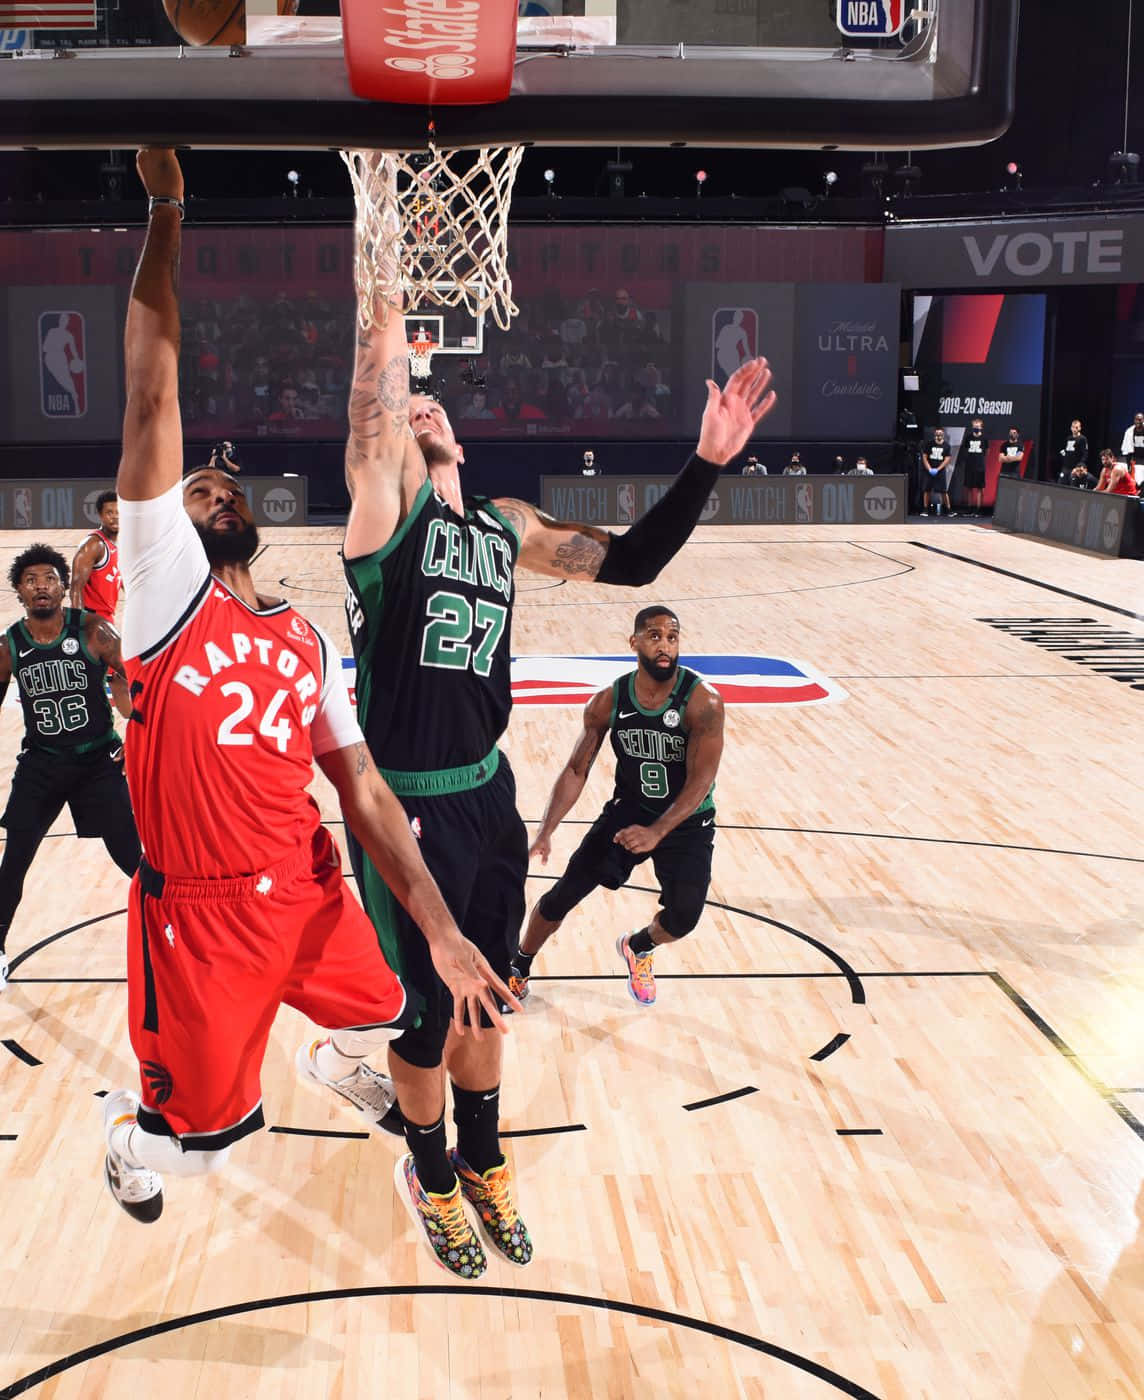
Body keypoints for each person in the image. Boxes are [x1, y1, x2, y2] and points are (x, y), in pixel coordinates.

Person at [313, 148, 773, 1277]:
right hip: (405, 803)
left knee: (491, 996)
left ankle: (483, 1158)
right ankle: (428, 1170)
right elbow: (374, 398)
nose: (418, 411)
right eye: (407, 411)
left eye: (433, 407)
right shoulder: (384, 522)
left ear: (459, 438)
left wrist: (705, 464)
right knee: (426, 1012)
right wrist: (385, 253)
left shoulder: (506, 526)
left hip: (486, 790)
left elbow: (631, 562)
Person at [101, 150, 516, 1241]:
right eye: (194, 487)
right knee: (203, 1147)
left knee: (404, 1009)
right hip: (199, 915)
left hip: (304, 888)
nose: (213, 490)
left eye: (223, 486)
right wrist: (167, 208)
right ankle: (128, 1137)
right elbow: (152, 386)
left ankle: (333, 1055)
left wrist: (438, 928)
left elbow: (366, 792)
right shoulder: (160, 594)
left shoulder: (300, 639)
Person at [510, 607, 722, 1008]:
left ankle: (639, 946)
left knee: (683, 918)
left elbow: (701, 781)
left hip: (687, 822)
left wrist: (657, 831)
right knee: (563, 895)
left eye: (672, 637)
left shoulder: (703, 702)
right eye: (654, 636)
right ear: (634, 642)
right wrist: (546, 830)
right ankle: (519, 965)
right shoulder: (608, 700)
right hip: (629, 813)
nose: (665, 645)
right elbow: (577, 769)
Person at [0, 543, 141, 996]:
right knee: (15, 860)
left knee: (133, 858)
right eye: (31, 580)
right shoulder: (5, 647)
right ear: (18, 590)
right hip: (41, 765)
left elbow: (141, 686)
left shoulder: (96, 632)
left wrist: (136, 739)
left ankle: (176, 937)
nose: (41, 587)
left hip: (98, 762)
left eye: (49, 579)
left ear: (64, 587)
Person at [70, 490, 122, 622]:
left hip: (106, 615)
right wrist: (77, 624)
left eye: (119, 512)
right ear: (100, 515)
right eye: (109, 513)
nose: (115, 517)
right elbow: (76, 588)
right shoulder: (94, 545)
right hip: (91, 617)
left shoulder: (121, 544)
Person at [957, 417, 988, 514]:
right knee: (969, 487)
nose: (976, 428)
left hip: (980, 467)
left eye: (978, 427)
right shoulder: (968, 437)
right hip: (969, 466)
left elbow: (987, 451)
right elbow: (965, 450)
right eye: (974, 427)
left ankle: (978, 509)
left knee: (980, 488)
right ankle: (969, 508)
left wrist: (980, 460)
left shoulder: (984, 438)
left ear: (981, 427)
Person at [920, 427, 954, 517]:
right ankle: (925, 510)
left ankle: (949, 510)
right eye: (937, 433)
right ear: (934, 434)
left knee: (943, 491)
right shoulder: (929, 444)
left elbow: (947, 459)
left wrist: (938, 469)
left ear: (943, 435)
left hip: (940, 471)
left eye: (940, 434)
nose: (938, 435)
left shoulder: (947, 446)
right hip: (929, 471)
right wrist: (929, 469)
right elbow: (924, 457)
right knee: (927, 490)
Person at [1121, 411, 1144, 483]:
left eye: (1140, 420)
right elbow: (1128, 450)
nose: (1138, 421)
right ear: (1134, 420)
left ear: (1143, 420)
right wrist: (1129, 466)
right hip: (1135, 458)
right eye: (1136, 419)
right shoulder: (1130, 432)